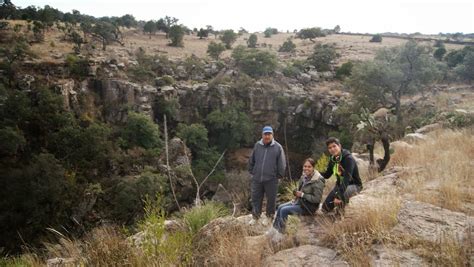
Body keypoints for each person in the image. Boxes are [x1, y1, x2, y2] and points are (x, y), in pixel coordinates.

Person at [266, 158, 325, 239]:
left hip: (308, 207)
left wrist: (303, 195)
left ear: (313, 167)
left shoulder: (318, 180)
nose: (306, 168)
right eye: (305, 166)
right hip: (300, 202)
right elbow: (301, 190)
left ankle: (280, 234)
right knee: (280, 207)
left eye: (309, 167)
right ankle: (274, 230)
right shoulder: (304, 176)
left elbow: (317, 199)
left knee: (284, 210)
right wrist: (296, 193)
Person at [248, 126, 286, 226]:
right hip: (257, 178)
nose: (267, 136)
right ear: (262, 135)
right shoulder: (257, 145)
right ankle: (255, 217)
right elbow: (252, 159)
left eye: (269, 134)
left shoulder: (278, 147)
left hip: (271, 179)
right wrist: (252, 171)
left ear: (272, 135)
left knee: (271, 199)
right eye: (265, 134)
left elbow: (282, 163)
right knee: (256, 198)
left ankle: (269, 218)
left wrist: (278, 176)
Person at [321, 137, 363, 212]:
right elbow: (327, 175)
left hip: (354, 185)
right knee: (325, 208)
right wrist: (315, 172)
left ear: (339, 146)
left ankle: (341, 214)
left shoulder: (348, 159)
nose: (332, 149)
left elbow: (347, 179)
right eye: (330, 148)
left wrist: (338, 196)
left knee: (342, 196)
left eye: (334, 146)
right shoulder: (332, 160)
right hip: (340, 185)